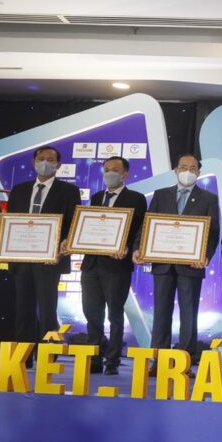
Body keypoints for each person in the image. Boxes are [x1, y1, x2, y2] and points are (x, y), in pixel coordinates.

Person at [0, 145, 79, 355]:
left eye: (50, 159)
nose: (45, 163)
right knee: (23, 310)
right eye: (41, 158)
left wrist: (65, 243)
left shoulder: (69, 191)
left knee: (48, 310)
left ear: (58, 165)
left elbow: (74, 222)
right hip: (22, 259)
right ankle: (22, 357)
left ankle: (46, 357)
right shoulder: (19, 190)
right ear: (34, 162)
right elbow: (10, 222)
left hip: (50, 260)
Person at [140, 153, 220, 361]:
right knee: (161, 313)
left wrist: (205, 255)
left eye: (192, 168)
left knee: (189, 313)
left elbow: (213, 232)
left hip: (191, 265)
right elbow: (148, 224)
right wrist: (139, 249)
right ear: (176, 170)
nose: (187, 172)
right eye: (183, 167)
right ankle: (158, 359)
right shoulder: (161, 195)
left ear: (199, 172)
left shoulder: (208, 199)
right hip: (163, 264)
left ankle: (185, 360)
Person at [76, 156, 146, 375]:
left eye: (115, 170)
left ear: (125, 174)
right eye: (106, 169)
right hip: (91, 264)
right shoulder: (97, 197)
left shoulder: (136, 198)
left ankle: (112, 360)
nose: (109, 173)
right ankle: (94, 357)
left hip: (117, 265)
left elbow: (140, 230)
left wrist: (128, 248)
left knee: (115, 314)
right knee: (91, 313)